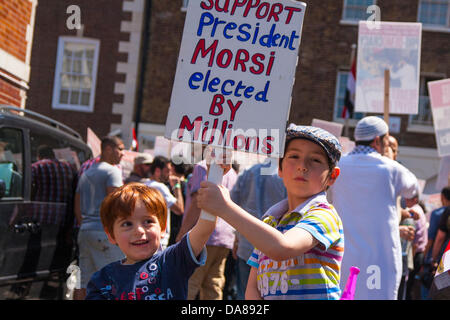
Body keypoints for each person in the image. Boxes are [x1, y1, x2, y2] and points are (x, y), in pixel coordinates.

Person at [197, 125, 344, 300]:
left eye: (315, 160)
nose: (302, 166)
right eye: (294, 156)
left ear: (332, 176)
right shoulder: (270, 221)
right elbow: (253, 287)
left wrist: (225, 207)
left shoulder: (324, 214)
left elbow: (282, 247)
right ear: (280, 168)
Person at [328, 116, 419, 300]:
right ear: (378, 140)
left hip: (343, 258)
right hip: (381, 259)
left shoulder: (338, 167)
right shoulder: (392, 169)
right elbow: (413, 192)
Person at [85, 183, 215, 300]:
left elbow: (205, 227)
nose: (139, 230)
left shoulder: (172, 261)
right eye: (127, 224)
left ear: (163, 227)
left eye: (148, 221)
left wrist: (214, 174)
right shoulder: (102, 280)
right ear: (111, 235)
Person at [176, 147, 237, 300]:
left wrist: (183, 230)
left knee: (190, 282)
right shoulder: (233, 173)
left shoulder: (202, 166)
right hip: (224, 237)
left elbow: (199, 200)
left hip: (202, 234)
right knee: (213, 285)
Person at [73, 136, 125, 300]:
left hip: (85, 231)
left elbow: (77, 206)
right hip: (104, 234)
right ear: (108, 149)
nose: (123, 154)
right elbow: (117, 204)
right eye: (121, 149)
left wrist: (85, 225)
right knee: (114, 281)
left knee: (83, 282)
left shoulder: (86, 172)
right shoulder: (112, 171)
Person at [229, 158, 287, 300]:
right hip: (274, 249)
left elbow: (233, 203)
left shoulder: (249, 172)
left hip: (246, 245)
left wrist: (237, 238)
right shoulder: (285, 178)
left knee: (243, 294)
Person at [143, 155, 184, 250]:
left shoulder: (144, 184)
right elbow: (179, 209)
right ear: (157, 171)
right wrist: (177, 186)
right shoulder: (160, 187)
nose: (170, 174)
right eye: (167, 171)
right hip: (159, 240)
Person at [421, 186, 450, 297]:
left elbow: (438, 239)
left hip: (447, 261)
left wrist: (433, 259)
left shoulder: (441, 212)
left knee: (439, 292)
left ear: (442, 197)